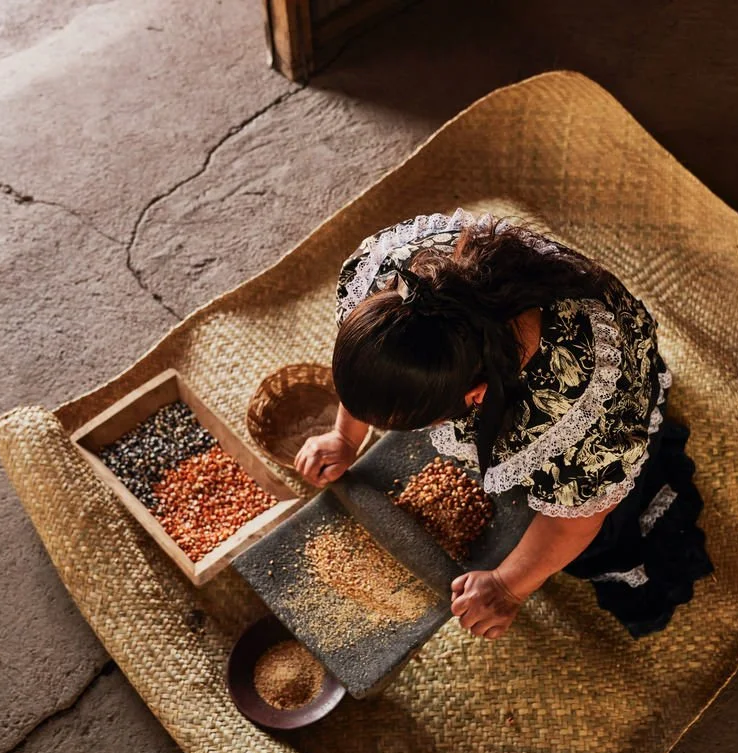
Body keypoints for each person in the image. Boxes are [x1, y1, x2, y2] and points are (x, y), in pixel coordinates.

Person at [294, 209, 713, 640]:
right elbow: (370, 362)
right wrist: (344, 436)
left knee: (601, 542)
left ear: (476, 395)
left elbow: (577, 519)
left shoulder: (584, 410)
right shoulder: (386, 274)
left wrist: (507, 585)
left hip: (610, 389)